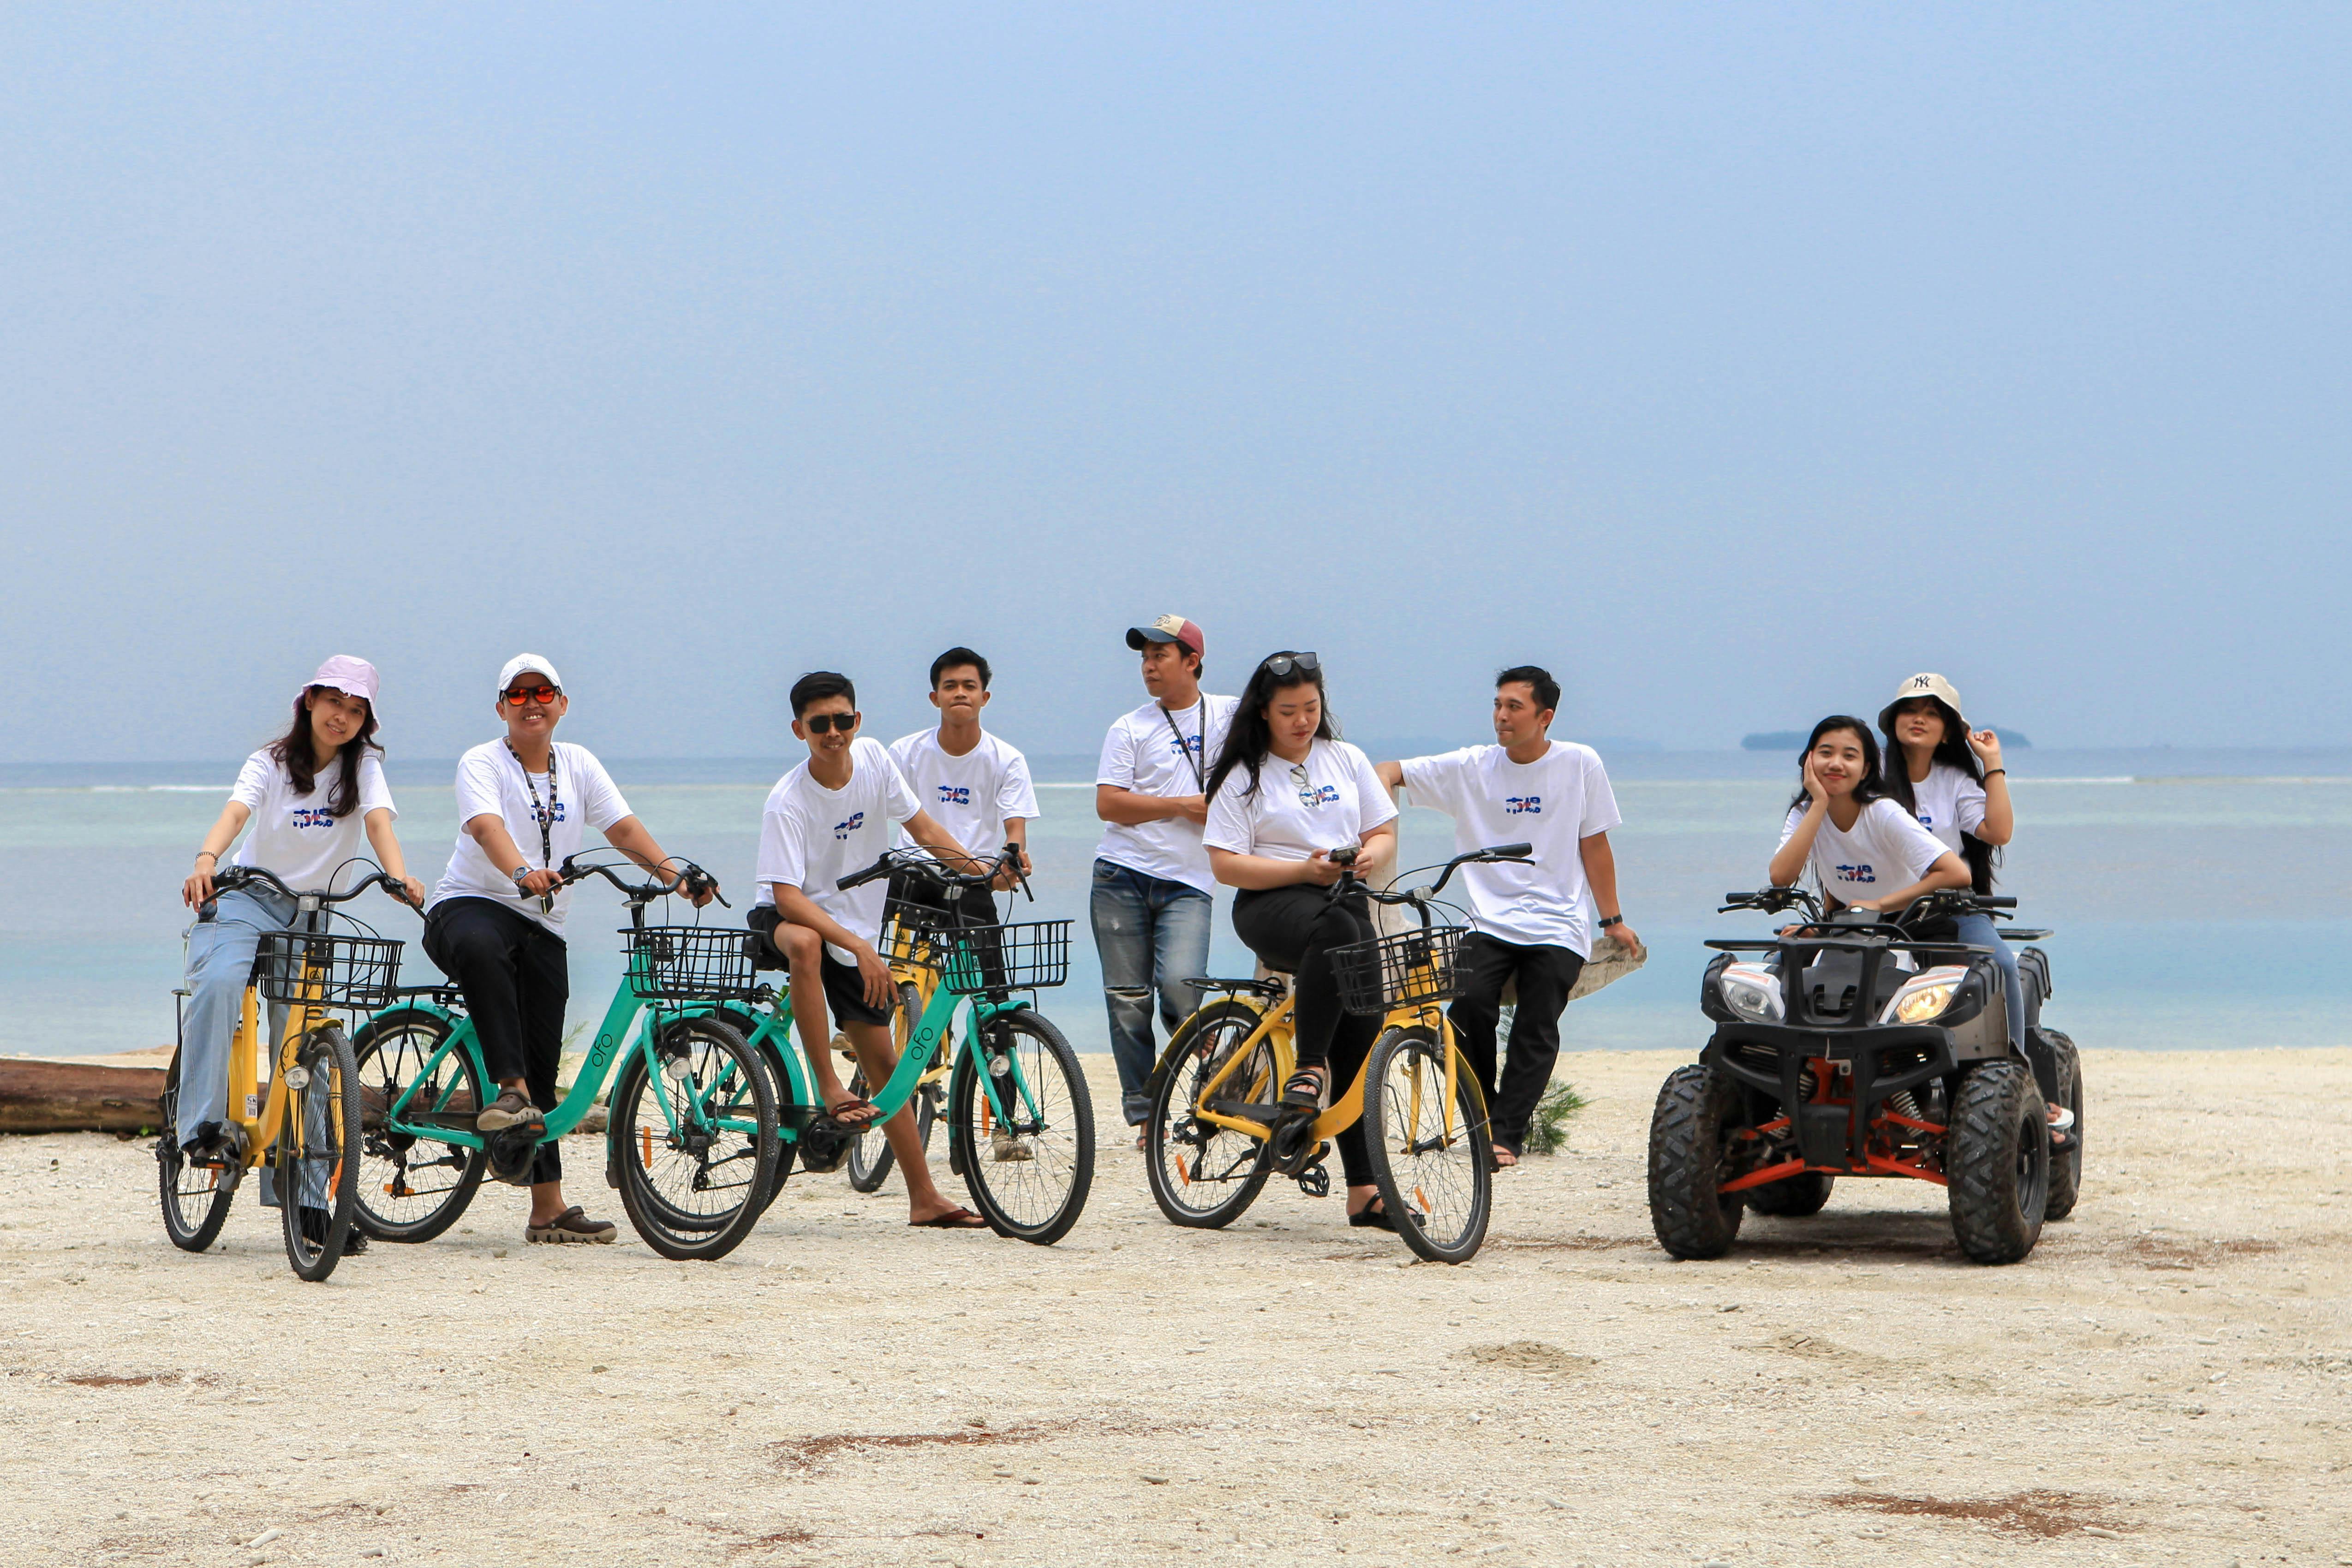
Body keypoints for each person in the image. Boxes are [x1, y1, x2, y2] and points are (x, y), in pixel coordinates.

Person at [421, 654, 715, 1246]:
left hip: (543, 926)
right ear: (502, 708)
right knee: (483, 949)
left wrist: (675, 879)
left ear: (562, 703)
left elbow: (623, 830)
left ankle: (547, 1209)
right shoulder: (481, 762)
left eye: (544, 693)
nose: (533, 703)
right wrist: (523, 870)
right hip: (469, 905)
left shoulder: (578, 764)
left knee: (545, 1058)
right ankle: (508, 1089)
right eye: (519, 695)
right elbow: (485, 827)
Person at [178, 656, 423, 1250]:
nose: (342, 716)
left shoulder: (363, 766)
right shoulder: (272, 762)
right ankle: (204, 1128)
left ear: (365, 720)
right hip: (248, 897)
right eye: (334, 701)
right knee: (220, 983)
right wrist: (207, 860)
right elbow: (235, 814)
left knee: (307, 1052)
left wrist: (398, 876)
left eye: (356, 708)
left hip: (311, 916)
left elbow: (380, 822)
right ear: (309, 701)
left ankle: (311, 1205)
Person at [748, 671, 992, 1229]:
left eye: (842, 720)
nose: (833, 732)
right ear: (799, 730)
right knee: (807, 945)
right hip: (789, 917)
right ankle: (828, 1085)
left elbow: (924, 826)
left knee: (885, 1065)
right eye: (819, 724)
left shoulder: (878, 761)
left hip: (856, 929)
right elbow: (786, 895)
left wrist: (979, 872)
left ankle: (925, 1199)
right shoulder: (787, 800)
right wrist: (858, 944)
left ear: (857, 721)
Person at [1374, 666, 1638, 1169]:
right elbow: (1389, 771)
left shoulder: (1579, 763)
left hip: (1558, 922)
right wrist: (1378, 816)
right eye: (1497, 705)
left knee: (1537, 1022)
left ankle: (1507, 1135)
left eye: (1514, 707)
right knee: (1469, 1008)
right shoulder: (1472, 766)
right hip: (1488, 921)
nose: (1501, 716)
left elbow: (1594, 845)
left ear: (1545, 717)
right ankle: (1484, 1116)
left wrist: (1613, 921)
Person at [1202, 651, 1398, 1227]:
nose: (1302, 721)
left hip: (1343, 900)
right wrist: (1301, 872)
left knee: (1362, 1031)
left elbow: (1382, 831)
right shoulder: (1244, 775)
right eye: (1288, 711)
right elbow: (1226, 867)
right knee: (1340, 930)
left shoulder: (1346, 758)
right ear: (1263, 713)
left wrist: (1367, 857)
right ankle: (1307, 1070)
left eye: (1311, 708)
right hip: (1270, 903)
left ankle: (1364, 1191)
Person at [1092, 614, 1239, 1140]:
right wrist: (1182, 806)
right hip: (1121, 875)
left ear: (1192, 661)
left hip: (1191, 882)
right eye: (1144, 658)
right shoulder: (1129, 727)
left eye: (1160, 656)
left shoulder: (1229, 716)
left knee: (1180, 989)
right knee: (1128, 1000)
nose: (1149, 667)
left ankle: (1213, 1076)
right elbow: (1109, 804)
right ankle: (1144, 1114)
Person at [1878, 674, 2046, 1112]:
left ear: (1949, 729)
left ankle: (2022, 1079)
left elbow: (1999, 831)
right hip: (1878, 913)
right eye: (1910, 709)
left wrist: (1992, 762)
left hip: (1949, 910)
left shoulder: (1952, 780)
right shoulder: (1870, 775)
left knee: (2001, 964)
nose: (1919, 719)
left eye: (1933, 713)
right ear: (1893, 720)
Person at [887, 645, 1038, 927]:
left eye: (970, 686)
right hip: (911, 875)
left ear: (984, 698)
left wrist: (1010, 863)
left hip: (975, 879)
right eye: (950, 686)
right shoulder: (905, 752)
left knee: (985, 969)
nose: (960, 693)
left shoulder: (1007, 760)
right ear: (935, 698)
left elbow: (1015, 830)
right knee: (886, 966)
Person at [1768, 715, 1970, 914]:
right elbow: (1781, 877)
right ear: (1809, 761)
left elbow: (1956, 874)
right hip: (1856, 924)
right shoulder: (1804, 813)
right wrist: (1820, 803)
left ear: (1865, 770)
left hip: (1914, 921)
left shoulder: (1883, 813)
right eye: (1826, 753)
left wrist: (1881, 905)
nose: (1836, 764)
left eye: (1849, 756)